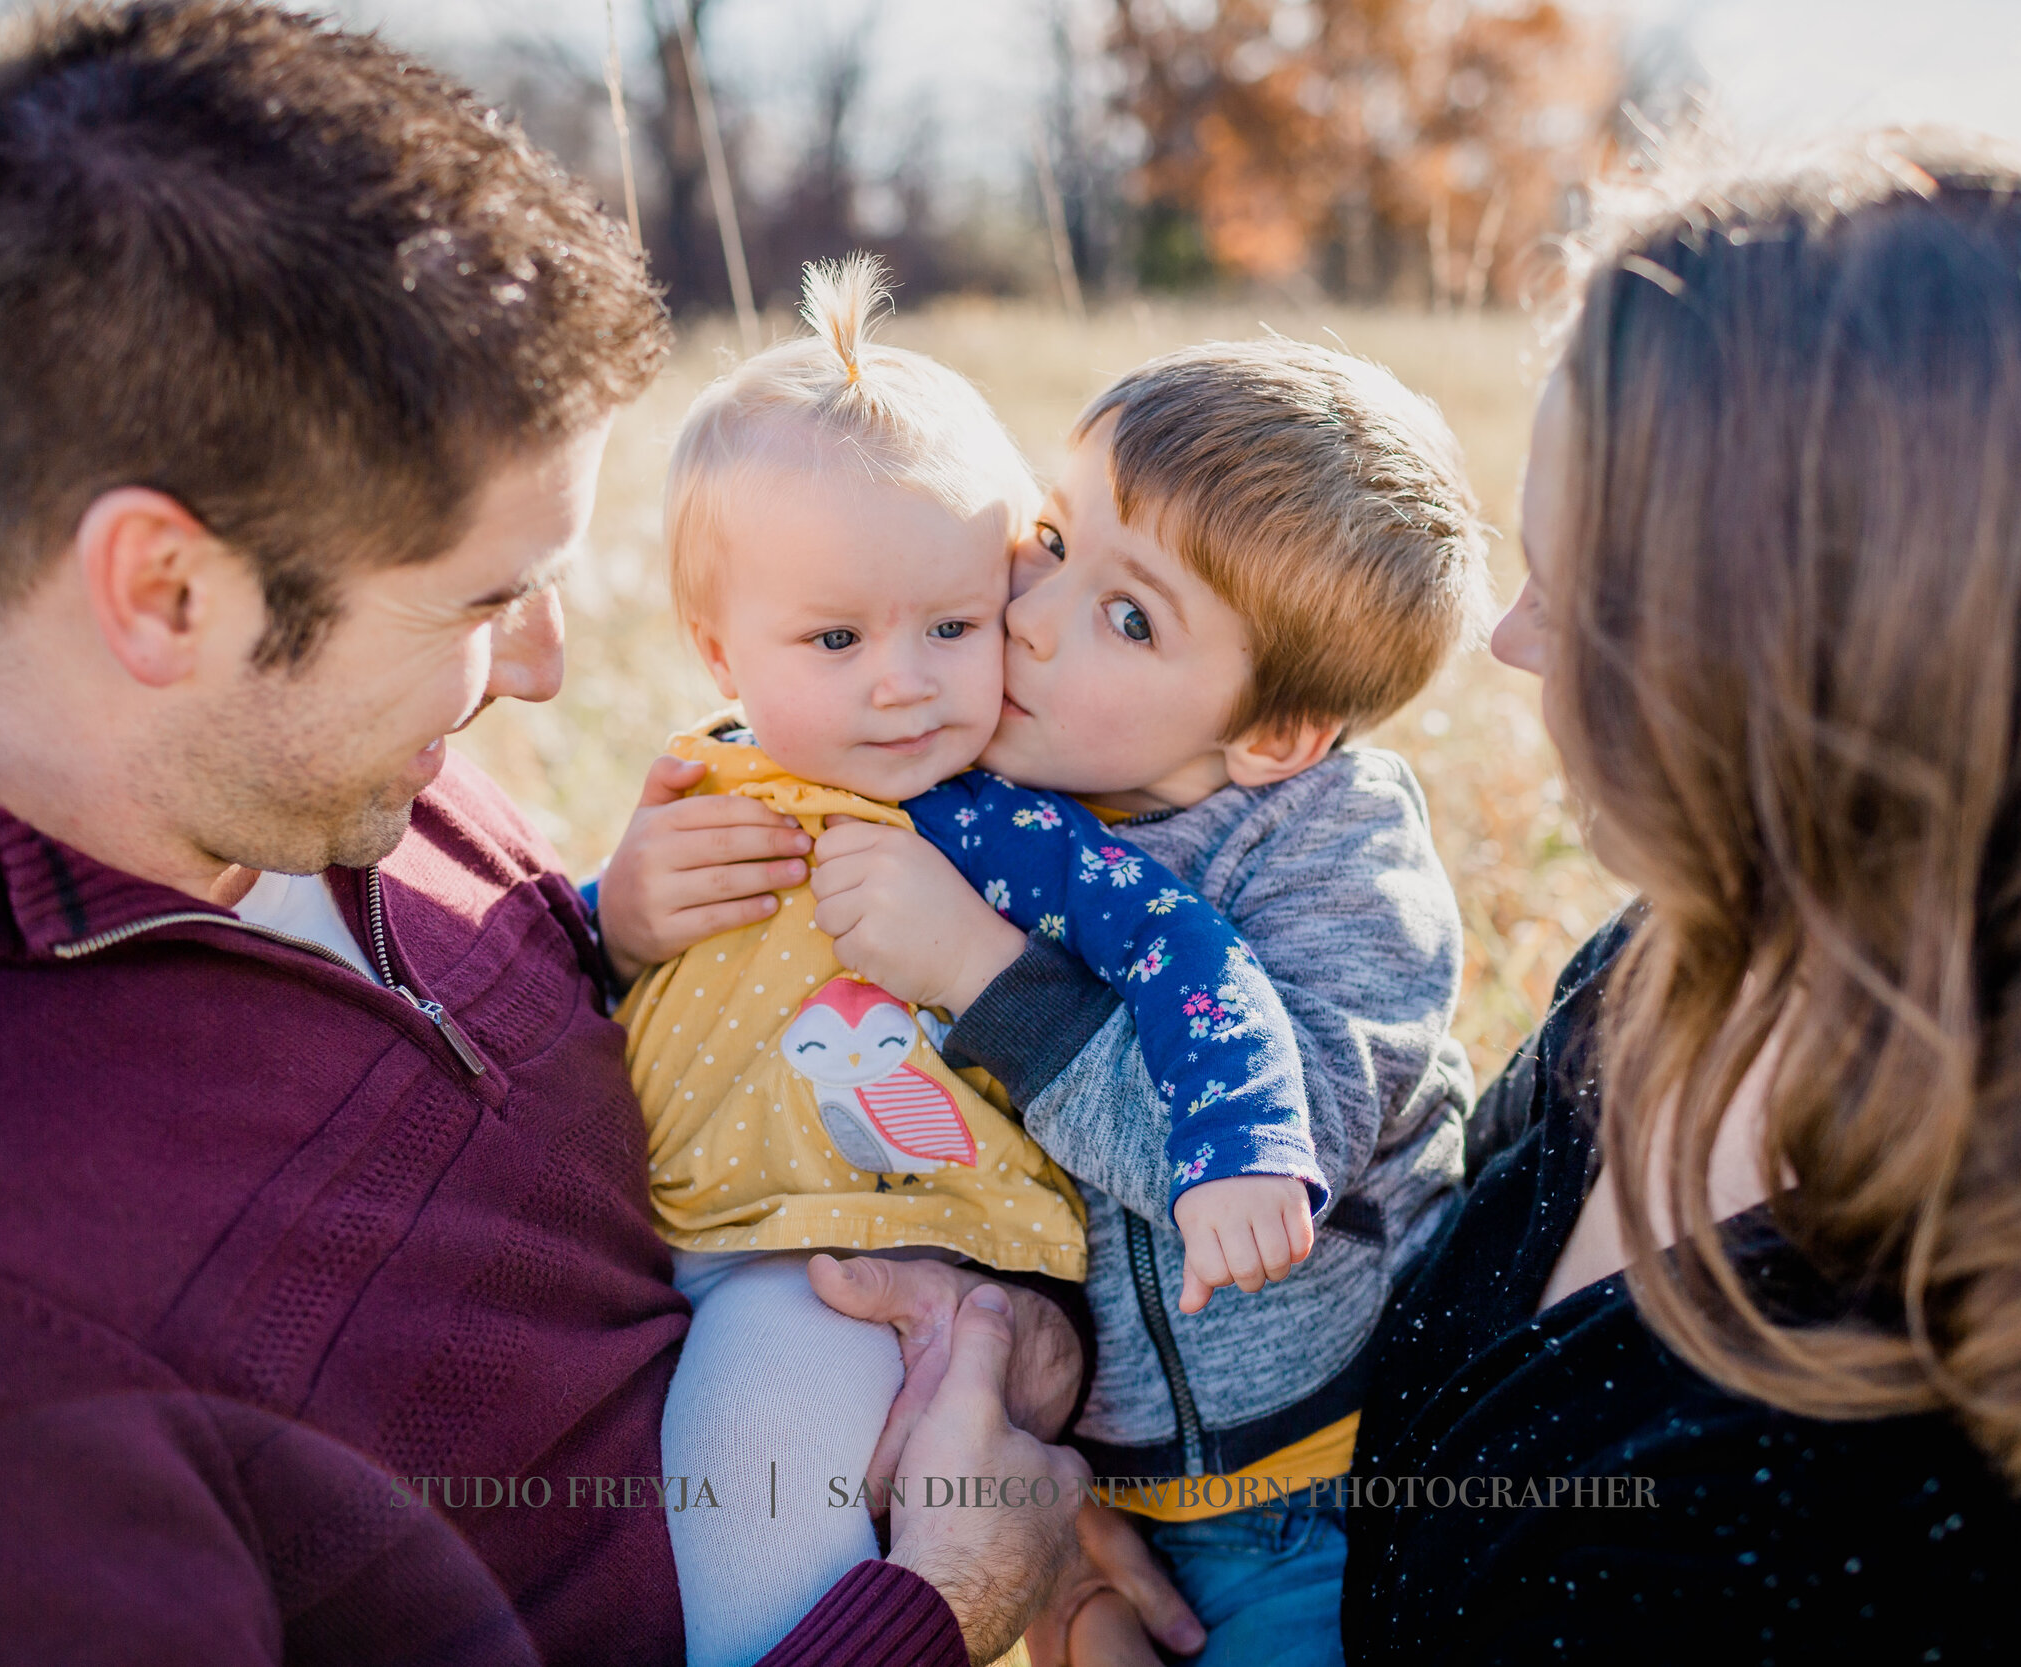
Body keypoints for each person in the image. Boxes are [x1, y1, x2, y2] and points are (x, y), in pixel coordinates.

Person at [0, 5, 1169, 1662]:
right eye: (486, 597)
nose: (547, 669)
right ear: (165, 590)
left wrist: (971, 1341)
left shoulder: (334, 775)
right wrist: (928, 1609)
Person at [1343, 138, 2021, 1664]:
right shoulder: (1682, 963)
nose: (1509, 644)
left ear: (1819, 683)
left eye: (1571, 590)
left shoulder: (1981, 1491)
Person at [611, 335, 1490, 1666]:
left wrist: (979, 975)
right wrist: (629, 911)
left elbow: (1257, 1175)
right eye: (1052, 538)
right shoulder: (986, 786)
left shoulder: (1334, 859)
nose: (1027, 612)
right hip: (1099, 1478)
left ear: (1272, 733)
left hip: (1324, 1482)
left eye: (1126, 615)